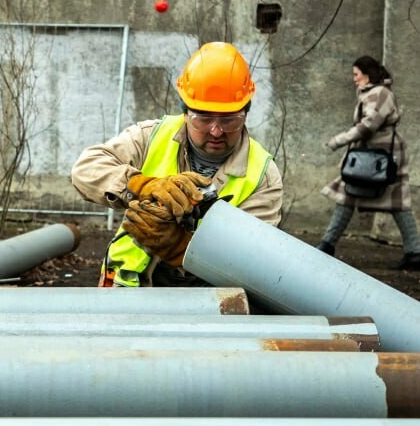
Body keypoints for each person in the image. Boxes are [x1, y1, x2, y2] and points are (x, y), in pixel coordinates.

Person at [71, 41, 283, 287]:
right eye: (203, 118)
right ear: (185, 113)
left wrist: (182, 249)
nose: (216, 131)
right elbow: (85, 169)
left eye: (229, 120)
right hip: (128, 289)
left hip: (210, 301)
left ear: (245, 114)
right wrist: (141, 185)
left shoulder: (263, 176)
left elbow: (255, 263)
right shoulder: (151, 136)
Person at [317, 56, 420, 270]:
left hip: (382, 156)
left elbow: (368, 125)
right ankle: (327, 244)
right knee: (349, 195)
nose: (354, 79)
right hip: (371, 154)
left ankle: (414, 254)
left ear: (368, 74)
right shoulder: (373, 92)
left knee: (396, 203)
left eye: (356, 74)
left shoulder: (380, 94)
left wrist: (339, 140)